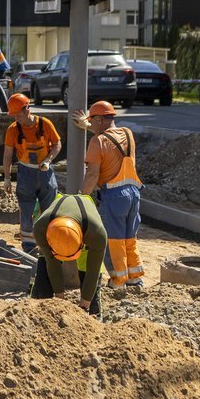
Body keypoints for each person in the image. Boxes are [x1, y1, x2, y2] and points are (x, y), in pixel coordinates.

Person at [75, 100, 144, 288]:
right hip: (134, 194)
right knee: (129, 238)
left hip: (114, 196)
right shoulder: (127, 134)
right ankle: (135, 277)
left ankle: (118, 280)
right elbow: (109, 139)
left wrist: (82, 198)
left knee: (113, 240)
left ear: (98, 120)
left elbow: (92, 174)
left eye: (93, 120)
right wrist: (89, 125)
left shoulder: (97, 141)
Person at [1, 93, 62, 253]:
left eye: (18, 114)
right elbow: (7, 155)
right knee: (26, 211)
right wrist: (7, 178)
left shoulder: (45, 124)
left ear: (27, 109)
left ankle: (48, 245)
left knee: (48, 211)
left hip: (45, 174)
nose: (16, 118)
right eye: (13, 115)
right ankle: (28, 247)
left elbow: (57, 144)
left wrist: (48, 160)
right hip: (25, 174)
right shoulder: (13, 130)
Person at [29, 193, 108, 316]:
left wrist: (84, 307)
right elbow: (52, 262)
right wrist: (60, 302)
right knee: (42, 283)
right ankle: (37, 315)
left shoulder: (97, 234)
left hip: (86, 224)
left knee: (91, 295)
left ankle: (95, 317)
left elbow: (93, 272)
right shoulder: (41, 228)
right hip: (56, 222)